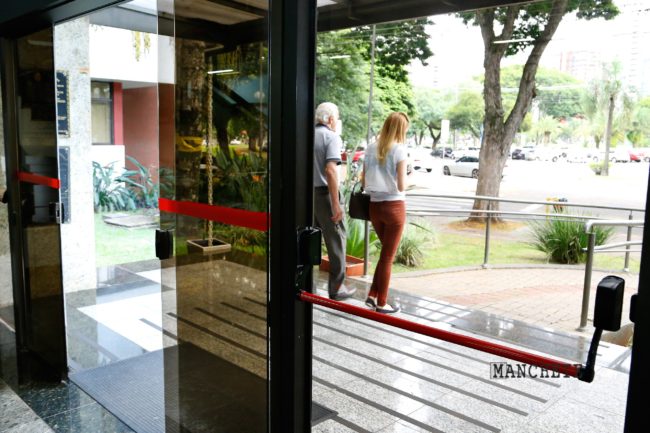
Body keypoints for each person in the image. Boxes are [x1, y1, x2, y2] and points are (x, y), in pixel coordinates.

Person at [362, 112, 409, 314]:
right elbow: (401, 185)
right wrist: (410, 179)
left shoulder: (370, 149)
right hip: (394, 208)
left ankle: (372, 294)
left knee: (385, 254)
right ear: (400, 129)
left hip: (374, 207)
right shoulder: (399, 150)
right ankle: (382, 302)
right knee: (388, 257)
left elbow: (364, 182)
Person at [313, 102, 356, 300]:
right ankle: (337, 288)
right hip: (325, 195)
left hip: (306, 196)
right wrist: (336, 203)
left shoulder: (306, 135)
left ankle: (306, 285)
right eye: (336, 118)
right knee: (337, 241)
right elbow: (330, 170)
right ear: (330, 119)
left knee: (309, 239)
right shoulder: (331, 137)